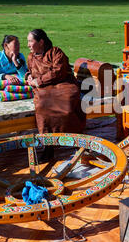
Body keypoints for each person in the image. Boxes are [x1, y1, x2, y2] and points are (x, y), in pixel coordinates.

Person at [25, 29, 86, 161]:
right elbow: (29, 71)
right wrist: (29, 77)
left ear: (41, 42)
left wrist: (39, 81)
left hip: (63, 84)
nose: (28, 45)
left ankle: (75, 139)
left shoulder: (55, 52)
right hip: (44, 88)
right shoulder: (31, 56)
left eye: (30, 41)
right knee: (42, 104)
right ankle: (48, 146)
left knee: (66, 103)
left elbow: (59, 71)